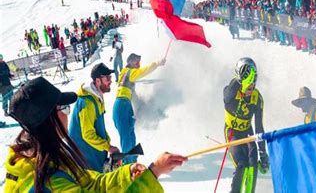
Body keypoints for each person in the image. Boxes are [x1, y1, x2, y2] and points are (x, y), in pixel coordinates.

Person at [5, 76, 187, 191]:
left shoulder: (49, 160)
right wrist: (152, 175)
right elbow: (88, 133)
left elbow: (91, 185)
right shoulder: (49, 182)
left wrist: (127, 174)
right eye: (64, 108)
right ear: (48, 119)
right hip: (90, 153)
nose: (68, 114)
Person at [223, 57, 269, 193]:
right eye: (248, 84)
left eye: (253, 83)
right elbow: (227, 96)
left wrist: (263, 152)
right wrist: (240, 81)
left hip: (248, 133)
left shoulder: (257, 98)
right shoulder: (231, 93)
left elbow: (259, 126)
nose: (251, 88)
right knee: (242, 164)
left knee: (253, 165)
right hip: (232, 133)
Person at [113, 53, 165, 164]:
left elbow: (132, 94)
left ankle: (133, 162)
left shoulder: (125, 73)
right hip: (122, 105)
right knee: (127, 138)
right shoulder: (130, 72)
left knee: (131, 135)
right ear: (131, 62)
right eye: (136, 62)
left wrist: (143, 106)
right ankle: (128, 167)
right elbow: (143, 72)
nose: (138, 65)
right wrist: (157, 63)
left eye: (139, 62)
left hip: (125, 104)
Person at [69, 63, 119, 172]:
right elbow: (88, 134)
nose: (110, 81)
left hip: (94, 150)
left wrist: (108, 144)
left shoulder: (96, 98)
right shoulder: (87, 103)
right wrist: (108, 147)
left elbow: (99, 127)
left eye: (110, 77)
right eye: (107, 78)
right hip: (86, 154)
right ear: (97, 81)